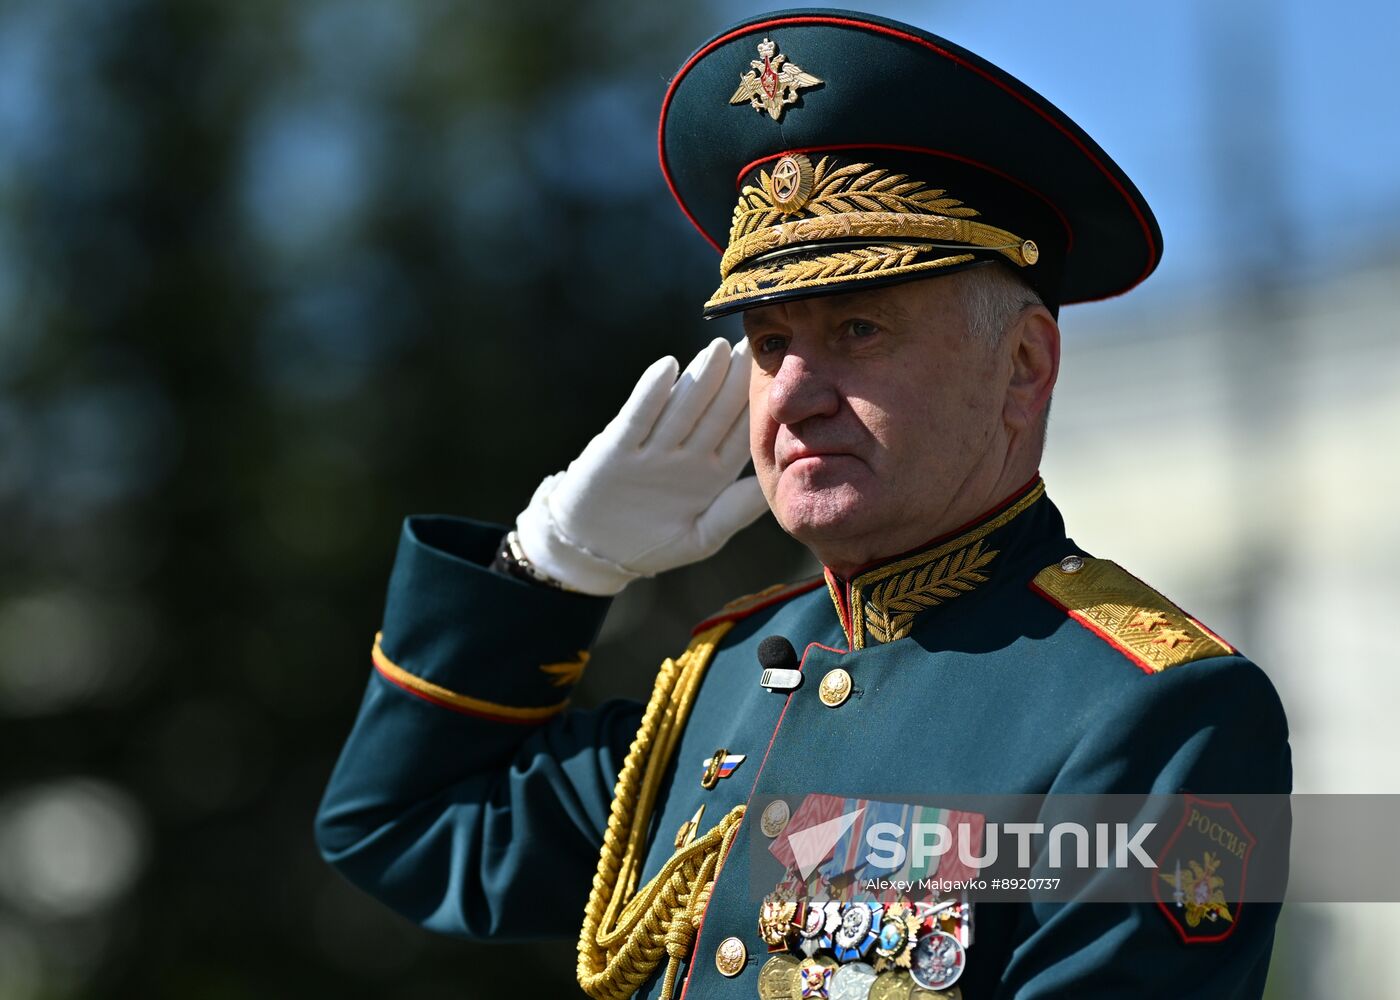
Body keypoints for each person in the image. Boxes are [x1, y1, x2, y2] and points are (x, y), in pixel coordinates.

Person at [315, 10, 1291, 999]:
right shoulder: (718, 682)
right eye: (769, 342)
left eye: (858, 328)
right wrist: (548, 567)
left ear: (1023, 363)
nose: (789, 392)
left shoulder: (1154, 713)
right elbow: (404, 826)